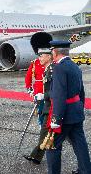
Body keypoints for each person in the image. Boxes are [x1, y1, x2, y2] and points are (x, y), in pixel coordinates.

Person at [46, 41, 91, 174]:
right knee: (80, 144)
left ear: (55, 52)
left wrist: (56, 118)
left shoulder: (59, 68)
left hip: (64, 114)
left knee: (52, 145)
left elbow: (60, 94)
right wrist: (79, 107)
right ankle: (86, 170)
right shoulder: (74, 66)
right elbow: (81, 91)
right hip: (76, 111)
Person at [23, 32, 53, 165]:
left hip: (49, 99)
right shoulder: (35, 63)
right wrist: (30, 90)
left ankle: (39, 154)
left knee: (47, 128)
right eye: (39, 54)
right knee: (43, 124)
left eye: (41, 54)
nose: (39, 57)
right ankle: (37, 155)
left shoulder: (54, 65)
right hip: (39, 95)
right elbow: (28, 78)